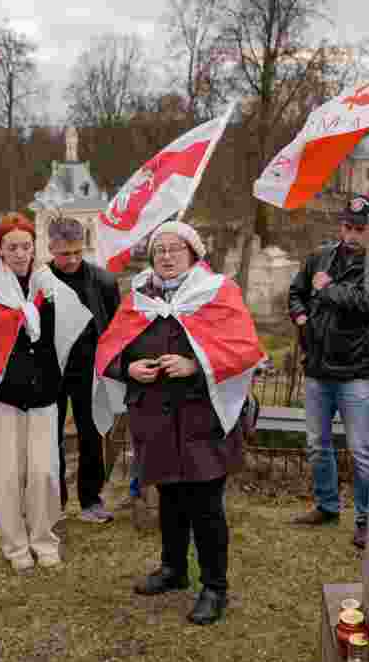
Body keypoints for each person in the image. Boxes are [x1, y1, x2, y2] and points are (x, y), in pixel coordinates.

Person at [94, 220, 265, 625]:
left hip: (203, 418)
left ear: (193, 253)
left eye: (175, 248)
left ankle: (214, 587)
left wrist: (194, 364)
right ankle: (173, 568)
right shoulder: (139, 296)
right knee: (169, 498)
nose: (167, 256)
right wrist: (128, 367)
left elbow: (244, 350)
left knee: (206, 506)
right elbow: (111, 348)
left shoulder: (219, 293)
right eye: (160, 250)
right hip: (155, 416)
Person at [0, 213, 91, 572]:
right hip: (4, 397)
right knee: (6, 474)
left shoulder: (49, 286)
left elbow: (70, 330)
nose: (20, 253)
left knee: (45, 472)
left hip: (45, 393)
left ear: (35, 248)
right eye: (12, 247)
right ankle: (15, 546)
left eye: (26, 246)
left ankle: (44, 540)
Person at [288, 195, 369, 550]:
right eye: (348, 227)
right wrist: (299, 315)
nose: (353, 234)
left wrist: (328, 289)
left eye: (360, 229)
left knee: (361, 451)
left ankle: (365, 519)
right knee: (317, 445)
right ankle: (326, 506)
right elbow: (296, 291)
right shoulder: (320, 257)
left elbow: (366, 304)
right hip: (316, 367)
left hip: (354, 371)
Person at [47, 216, 121, 522]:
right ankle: (54, 502)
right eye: (65, 254)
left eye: (78, 252)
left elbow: (116, 327)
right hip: (50, 370)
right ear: (51, 248)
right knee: (50, 437)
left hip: (90, 370)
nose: (73, 259)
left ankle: (91, 500)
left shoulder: (103, 281)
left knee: (92, 435)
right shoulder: (40, 281)